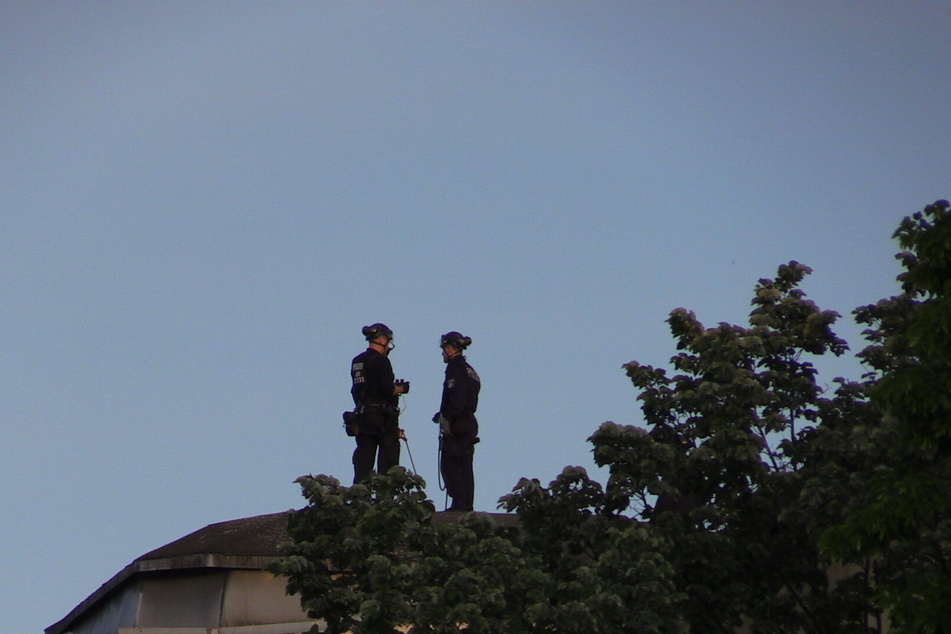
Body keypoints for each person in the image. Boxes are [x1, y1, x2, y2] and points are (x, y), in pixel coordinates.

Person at [350, 323, 409, 484]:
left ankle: (360, 497)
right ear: (382, 339)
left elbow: (356, 390)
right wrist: (401, 388)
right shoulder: (382, 361)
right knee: (388, 464)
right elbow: (387, 389)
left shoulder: (357, 362)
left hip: (363, 418)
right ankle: (385, 500)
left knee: (364, 461)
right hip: (382, 420)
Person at [434, 331, 480, 511]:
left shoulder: (455, 368)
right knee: (465, 464)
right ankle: (466, 504)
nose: (443, 353)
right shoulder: (470, 370)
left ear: (450, 348)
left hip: (459, 422)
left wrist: (448, 418)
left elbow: (457, 397)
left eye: (444, 348)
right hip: (469, 421)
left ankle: (459, 504)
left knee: (451, 464)